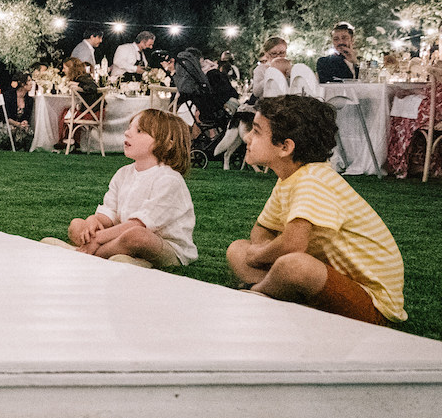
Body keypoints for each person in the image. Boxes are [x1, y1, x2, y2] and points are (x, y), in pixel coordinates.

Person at [225, 95, 405, 325]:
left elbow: (293, 244)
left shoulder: (313, 180)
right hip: (327, 280)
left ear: (285, 147)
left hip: (371, 304)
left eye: (257, 131)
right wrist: (257, 251)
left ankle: (260, 292)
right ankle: (277, 294)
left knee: (295, 266)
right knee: (238, 250)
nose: (247, 137)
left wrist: (259, 255)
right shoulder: (289, 178)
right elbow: (262, 229)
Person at [42, 108, 196, 269]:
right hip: (121, 237)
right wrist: (93, 221)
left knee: (137, 236)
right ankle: (131, 261)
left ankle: (83, 254)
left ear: (167, 143)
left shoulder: (169, 180)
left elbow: (139, 225)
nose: (128, 133)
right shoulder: (123, 173)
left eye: (139, 131)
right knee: (77, 225)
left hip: (163, 246)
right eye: (129, 128)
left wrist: (98, 238)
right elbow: (109, 213)